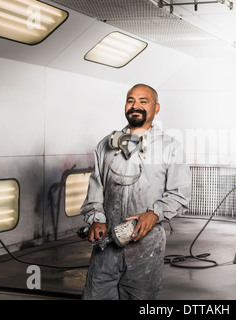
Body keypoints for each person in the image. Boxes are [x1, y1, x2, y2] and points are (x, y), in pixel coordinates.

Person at [80, 83, 191, 300]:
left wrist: (154, 213)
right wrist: (97, 219)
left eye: (143, 101)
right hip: (107, 245)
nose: (135, 106)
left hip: (145, 246)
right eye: (130, 100)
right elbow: (96, 188)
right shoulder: (106, 145)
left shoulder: (170, 147)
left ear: (156, 108)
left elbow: (179, 193)